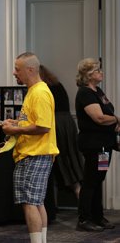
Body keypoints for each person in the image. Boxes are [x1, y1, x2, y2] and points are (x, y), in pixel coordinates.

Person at [2, 52, 59, 243]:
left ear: (31, 70)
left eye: (17, 69)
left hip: (35, 154)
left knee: (30, 203)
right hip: (35, 154)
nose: (14, 73)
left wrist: (15, 130)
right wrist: (16, 124)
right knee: (37, 202)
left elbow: (43, 127)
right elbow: (32, 122)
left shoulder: (40, 93)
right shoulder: (34, 91)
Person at [75, 58, 120, 232]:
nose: (101, 73)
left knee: (98, 179)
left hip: (104, 144)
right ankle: (84, 219)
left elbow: (106, 113)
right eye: (97, 70)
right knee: (91, 181)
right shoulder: (85, 93)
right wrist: (116, 119)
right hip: (94, 145)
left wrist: (113, 124)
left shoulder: (98, 91)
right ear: (88, 75)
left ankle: (97, 216)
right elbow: (99, 118)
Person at [39, 65, 84, 199]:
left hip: (55, 125)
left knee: (61, 163)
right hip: (67, 123)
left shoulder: (42, 89)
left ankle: (77, 201)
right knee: (69, 161)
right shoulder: (57, 85)